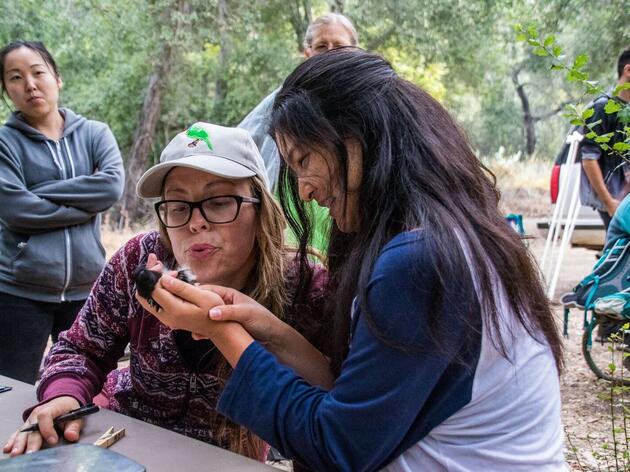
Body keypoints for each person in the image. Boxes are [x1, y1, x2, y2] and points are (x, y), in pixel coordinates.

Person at [139, 49, 566, 471]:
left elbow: (339, 448)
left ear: (356, 139)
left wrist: (220, 331)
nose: (304, 191)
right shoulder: (452, 239)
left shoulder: (420, 261)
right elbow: (352, 396)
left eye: (303, 160)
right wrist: (261, 326)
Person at [3, 122, 333, 464]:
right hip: (122, 439)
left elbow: (331, 401)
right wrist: (63, 395)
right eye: (177, 206)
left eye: (219, 202)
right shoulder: (140, 260)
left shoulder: (304, 285)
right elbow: (80, 348)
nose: (195, 223)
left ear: (260, 208)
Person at [0, 40, 124, 384]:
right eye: (15, 77)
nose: (29, 84)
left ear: (57, 78)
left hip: (87, 292)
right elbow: (15, 211)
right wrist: (84, 207)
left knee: (88, 385)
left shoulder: (96, 134)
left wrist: (38, 192)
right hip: (20, 291)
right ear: (7, 90)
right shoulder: (5, 143)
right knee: (12, 388)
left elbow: (111, 188)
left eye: (38, 72)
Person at [239, 12, 358, 191]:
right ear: (308, 53)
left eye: (339, 45)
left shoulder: (368, 97)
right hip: (289, 202)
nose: (330, 52)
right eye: (321, 46)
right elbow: (242, 138)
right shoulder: (286, 98)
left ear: (354, 51)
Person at [580, 48, 630, 230]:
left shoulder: (628, 110)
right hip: (617, 202)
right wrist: (609, 202)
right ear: (628, 71)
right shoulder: (602, 108)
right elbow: (589, 159)